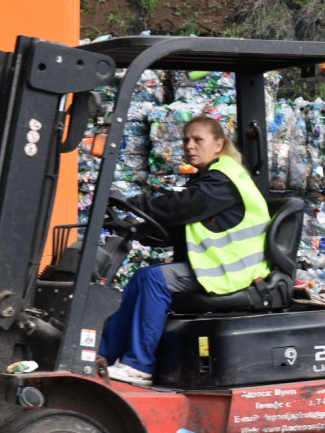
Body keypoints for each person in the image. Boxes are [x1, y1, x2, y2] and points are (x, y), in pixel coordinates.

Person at [97, 115, 272, 386]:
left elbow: (182, 206)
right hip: (219, 265)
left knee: (153, 280)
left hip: (234, 270)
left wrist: (136, 203)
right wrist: (142, 230)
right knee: (142, 277)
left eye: (198, 139)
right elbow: (184, 226)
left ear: (218, 145)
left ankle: (139, 365)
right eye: (186, 140)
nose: (189, 146)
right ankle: (104, 355)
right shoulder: (211, 178)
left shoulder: (222, 180)